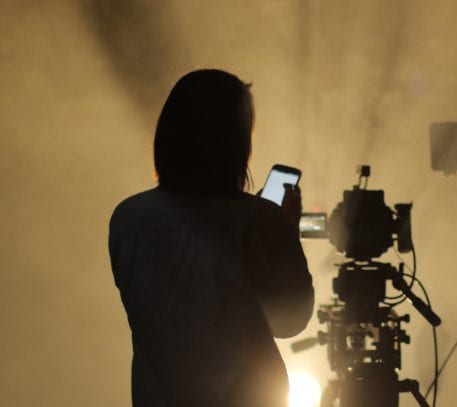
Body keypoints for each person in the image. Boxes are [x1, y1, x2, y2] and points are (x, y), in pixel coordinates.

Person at [108, 69, 314, 406]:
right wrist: (285, 231)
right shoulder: (262, 220)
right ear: (235, 142)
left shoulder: (128, 219)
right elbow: (290, 320)